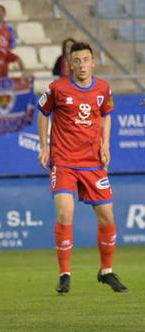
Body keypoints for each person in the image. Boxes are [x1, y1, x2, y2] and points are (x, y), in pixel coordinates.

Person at [37, 41, 128, 294]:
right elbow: (43, 113)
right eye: (76, 60)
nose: (82, 65)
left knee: (107, 216)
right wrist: (44, 147)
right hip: (64, 161)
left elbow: (106, 114)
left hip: (92, 163)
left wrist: (105, 144)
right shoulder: (57, 88)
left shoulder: (103, 88)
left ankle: (106, 271)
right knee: (66, 213)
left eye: (86, 60)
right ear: (70, 63)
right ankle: (64, 273)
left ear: (93, 61)